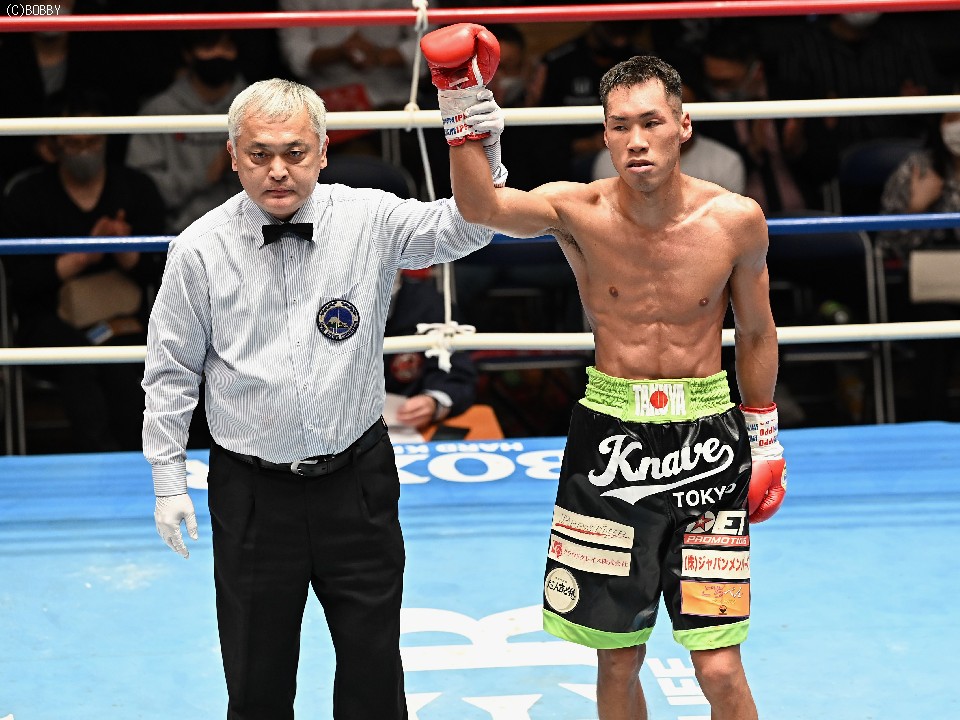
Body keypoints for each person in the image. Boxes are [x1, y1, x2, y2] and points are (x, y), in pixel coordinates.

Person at [421, 26, 787, 718]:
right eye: (620, 126)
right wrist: (460, 102)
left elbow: (758, 330)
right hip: (611, 440)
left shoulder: (735, 220)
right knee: (617, 656)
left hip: (708, 441)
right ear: (606, 134)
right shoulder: (579, 211)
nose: (636, 140)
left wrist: (764, 436)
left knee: (718, 664)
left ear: (683, 125)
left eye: (651, 122)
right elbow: (481, 207)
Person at [142, 68, 505, 718]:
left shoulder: (369, 217)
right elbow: (171, 371)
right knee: (256, 684)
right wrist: (167, 480)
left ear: (323, 151)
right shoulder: (198, 249)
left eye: (294, 152)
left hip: (355, 484)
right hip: (252, 494)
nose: (278, 170)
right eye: (260, 154)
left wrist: (478, 140)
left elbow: (469, 226)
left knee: (374, 676)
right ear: (233, 156)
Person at [1, 89, 166, 452]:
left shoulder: (136, 188)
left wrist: (125, 250)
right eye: (74, 143)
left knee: (122, 357)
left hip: (124, 318)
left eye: (92, 141)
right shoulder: (27, 194)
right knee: (77, 355)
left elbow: (160, 272)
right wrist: (84, 254)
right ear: (54, 144)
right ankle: (98, 458)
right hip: (49, 320)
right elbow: (20, 280)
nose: (85, 151)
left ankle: (135, 460)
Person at [877, 108, 960, 421]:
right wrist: (917, 210)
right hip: (927, 287)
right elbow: (886, 245)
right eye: (952, 118)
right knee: (935, 321)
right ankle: (932, 418)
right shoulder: (917, 169)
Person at [126, 29, 247, 233]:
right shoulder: (159, 111)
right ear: (188, 54)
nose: (219, 54)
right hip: (176, 235)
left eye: (227, 47)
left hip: (247, 234)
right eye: (209, 47)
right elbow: (142, 192)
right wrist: (207, 174)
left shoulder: (258, 109)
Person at [384, 268, 478, 431]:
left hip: (405, 427)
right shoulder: (335, 311)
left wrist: (433, 402)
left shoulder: (431, 305)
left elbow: (457, 375)